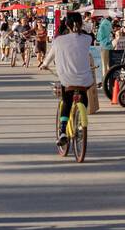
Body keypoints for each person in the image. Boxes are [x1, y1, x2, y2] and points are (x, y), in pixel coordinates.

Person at [41, 13, 98, 150]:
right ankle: (80, 124)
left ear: (66, 25)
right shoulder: (87, 39)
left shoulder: (58, 40)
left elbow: (50, 56)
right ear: (81, 24)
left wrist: (44, 64)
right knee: (83, 96)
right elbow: (85, 41)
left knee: (66, 101)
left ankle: (62, 131)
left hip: (67, 79)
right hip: (85, 80)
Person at [97, 15, 114, 80]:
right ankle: (110, 80)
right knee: (110, 64)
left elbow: (99, 37)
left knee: (104, 65)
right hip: (110, 45)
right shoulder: (109, 24)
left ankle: (105, 80)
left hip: (104, 45)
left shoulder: (102, 24)